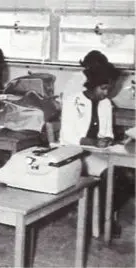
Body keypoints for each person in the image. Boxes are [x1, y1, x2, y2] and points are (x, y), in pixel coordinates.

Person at [59, 63, 125, 236]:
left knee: (129, 174)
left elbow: (107, 133)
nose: (106, 93)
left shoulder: (106, 104)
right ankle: (100, 219)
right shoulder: (72, 101)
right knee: (112, 174)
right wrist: (95, 142)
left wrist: (107, 139)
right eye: (103, 89)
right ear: (93, 84)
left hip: (98, 152)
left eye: (109, 89)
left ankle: (104, 214)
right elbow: (67, 137)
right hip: (75, 152)